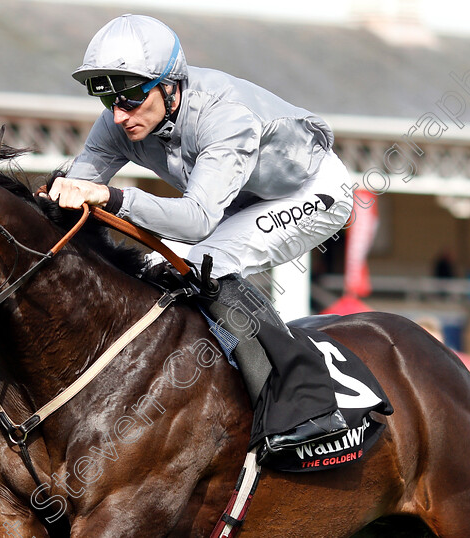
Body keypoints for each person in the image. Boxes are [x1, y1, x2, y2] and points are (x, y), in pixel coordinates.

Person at [47, 14, 354, 456]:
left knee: (206, 261)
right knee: (156, 268)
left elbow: (196, 221)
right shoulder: (117, 121)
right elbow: (76, 195)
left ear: (170, 86)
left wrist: (113, 197)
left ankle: (307, 402)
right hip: (240, 197)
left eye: (131, 98)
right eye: (107, 98)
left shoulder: (226, 117)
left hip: (313, 190)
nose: (118, 114)